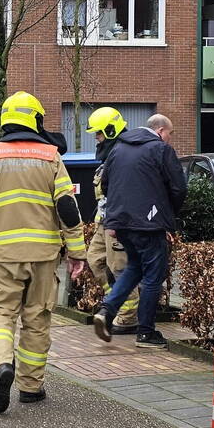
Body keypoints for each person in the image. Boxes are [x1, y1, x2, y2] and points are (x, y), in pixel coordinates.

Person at [0, 91, 87, 413]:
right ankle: (31, 387)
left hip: (3, 253)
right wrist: (77, 252)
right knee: (37, 319)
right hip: (44, 254)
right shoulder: (51, 156)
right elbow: (67, 206)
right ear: (36, 119)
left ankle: (0, 367)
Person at [93, 115, 187, 348]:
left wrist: (116, 216)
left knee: (134, 267)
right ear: (161, 130)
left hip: (120, 223)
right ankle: (146, 333)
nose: (169, 139)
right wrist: (167, 214)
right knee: (153, 277)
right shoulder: (160, 150)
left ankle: (106, 310)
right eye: (170, 134)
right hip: (149, 224)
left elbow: (105, 185)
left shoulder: (118, 149)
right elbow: (179, 187)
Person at [85, 107, 139, 335]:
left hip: (116, 223)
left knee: (119, 268)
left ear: (109, 130)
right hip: (103, 221)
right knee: (95, 260)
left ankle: (127, 317)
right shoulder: (110, 155)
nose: (96, 139)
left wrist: (117, 223)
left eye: (98, 134)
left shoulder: (122, 154)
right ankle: (113, 303)